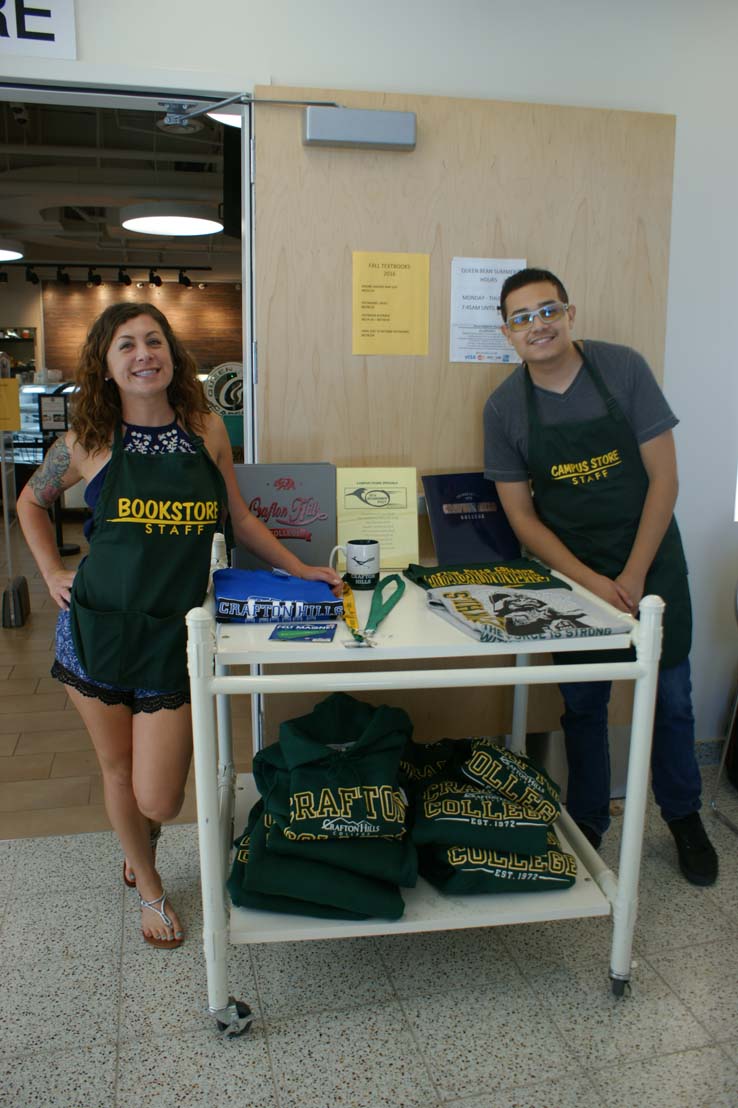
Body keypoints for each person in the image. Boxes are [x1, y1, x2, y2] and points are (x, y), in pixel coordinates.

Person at [17, 303, 343, 948]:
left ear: (172, 353)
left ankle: (144, 831)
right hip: (97, 630)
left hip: (177, 633)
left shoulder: (206, 427)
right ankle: (149, 884)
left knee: (161, 799)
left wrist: (299, 568)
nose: (144, 354)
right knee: (117, 771)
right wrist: (52, 571)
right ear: (105, 365)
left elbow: (239, 517)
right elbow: (32, 500)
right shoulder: (87, 440)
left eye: (154, 340)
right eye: (126, 345)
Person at [483, 267, 718, 885]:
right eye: (522, 318)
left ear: (570, 314)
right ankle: (589, 820)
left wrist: (634, 575)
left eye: (548, 310)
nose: (538, 325)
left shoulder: (623, 369)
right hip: (573, 574)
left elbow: (665, 479)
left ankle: (683, 816)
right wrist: (587, 581)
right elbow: (522, 517)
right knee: (584, 703)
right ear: (507, 333)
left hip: (651, 561)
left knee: (670, 699)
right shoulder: (505, 408)